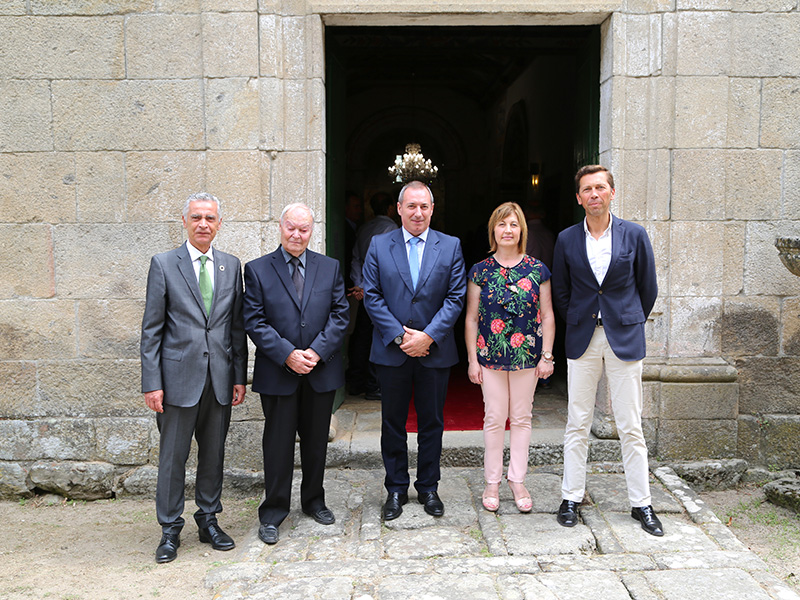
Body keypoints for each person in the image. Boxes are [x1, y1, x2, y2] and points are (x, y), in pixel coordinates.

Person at [551, 165, 662, 536]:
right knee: (577, 421)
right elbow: (561, 291)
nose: (594, 194)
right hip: (583, 338)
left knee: (630, 425)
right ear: (579, 198)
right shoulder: (567, 239)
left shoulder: (634, 235)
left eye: (600, 187)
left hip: (624, 338)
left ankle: (641, 504)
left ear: (612, 192)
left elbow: (647, 288)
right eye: (587, 189)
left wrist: (626, 319)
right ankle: (570, 497)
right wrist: (581, 319)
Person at [140, 192, 248, 563]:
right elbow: (151, 331)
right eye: (197, 217)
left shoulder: (231, 266)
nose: (204, 224)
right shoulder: (164, 264)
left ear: (219, 224)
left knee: (214, 454)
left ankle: (208, 519)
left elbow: (236, 328)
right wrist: (151, 382)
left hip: (219, 379)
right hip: (176, 381)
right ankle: (170, 529)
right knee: (173, 457)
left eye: (211, 218)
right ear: (185, 221)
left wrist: (239, 377)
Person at [243, 203, 350, 546]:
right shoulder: (258, 270)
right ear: (281, 226)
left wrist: (316, 352)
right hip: (279, 372)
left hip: (320, 371)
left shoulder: (329, 267)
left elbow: (340, 315)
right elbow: (254, 321)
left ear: (312, 230)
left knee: (317, 442)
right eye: (291, 227)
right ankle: (273, 511)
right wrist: (287, 354)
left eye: (304, 229)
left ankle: (314, 500)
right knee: (277, 444)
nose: (297, 234)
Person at [362, 180, 466, 521]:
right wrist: (399, 336)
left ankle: (428, 487)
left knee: (432, 422)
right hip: (391, 351)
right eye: (411, 206)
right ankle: (395, 488)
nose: (418, 213)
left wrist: (429, 336)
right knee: (392, 422)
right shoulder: (379, 245)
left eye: (424, 206)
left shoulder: (450, 246)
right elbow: (372, 295)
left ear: (432, 209)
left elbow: (456, 297)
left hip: (434, 352)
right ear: (400, 208)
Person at [465, 202, 555, 513]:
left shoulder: (537, 269)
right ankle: (492, 481)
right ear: (493, 230)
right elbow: (471, 318)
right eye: (502, 224)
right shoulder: (480, 270)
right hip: (489, 356)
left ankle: (517, 480)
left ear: (521, 231)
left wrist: (547, 356)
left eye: (513, 224)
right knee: (493, 418)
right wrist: (472, 360)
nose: (507, 230)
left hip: (527, 356)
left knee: (521, 419)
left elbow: (547, 315)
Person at [347, 192, 399, 400]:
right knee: (378, 337)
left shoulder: (364, 228)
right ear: (390, 209)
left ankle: (356, 381)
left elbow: (357, 259)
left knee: (362, 338)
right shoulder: (392, 230)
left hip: (364, 292)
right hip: (381, 293)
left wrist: (360, 285)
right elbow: (386, 266)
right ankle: (373, 385)